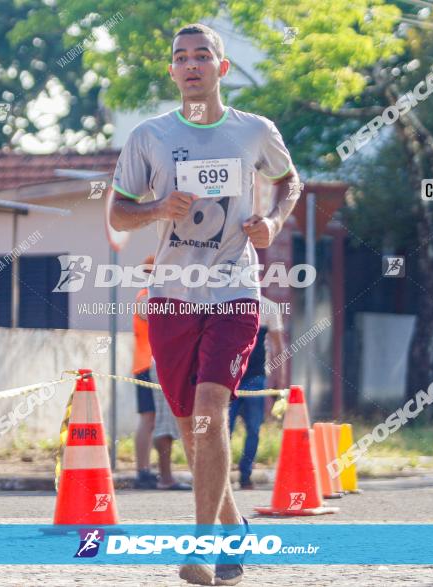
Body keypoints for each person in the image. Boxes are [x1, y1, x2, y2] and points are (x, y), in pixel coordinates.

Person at [109, 23, 299, 586]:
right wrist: (158, 208)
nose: (191, 65)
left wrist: (273, 220)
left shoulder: (254, 132)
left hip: (236, 290)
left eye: (202, 56)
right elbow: (120, 213)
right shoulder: (149, 136)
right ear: (172, 71)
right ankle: (234, 525)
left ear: (221, 68)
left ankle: (201, 545)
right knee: (194, 423)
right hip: (170, 297)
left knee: (212, 408)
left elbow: (290, 183)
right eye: (180, 58)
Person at [132, 257, 191, 490]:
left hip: (146, 363)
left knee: (151, 419)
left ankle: (145, 471)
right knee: (152, 420)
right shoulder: (148, 297)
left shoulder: (148, 296)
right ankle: (146, 472)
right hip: (151, 364)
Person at [228, 297, 285, 489]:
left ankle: (245, 475)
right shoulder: (230, 302)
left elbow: (278, 346)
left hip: (256, 378)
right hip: (230, 377)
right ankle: (221, 474)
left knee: (254, 428)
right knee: (224, 428)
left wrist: (279, 380)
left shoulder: (269, 307)